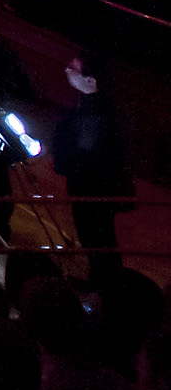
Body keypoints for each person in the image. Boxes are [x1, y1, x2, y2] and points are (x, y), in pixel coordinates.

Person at [51, 50, 133, 270]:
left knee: (97, 238)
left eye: (73, 68)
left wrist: (64, 163)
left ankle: (106, 285)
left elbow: (85, 153)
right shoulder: (94, 105)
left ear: (90, 80)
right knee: (98, 238)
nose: (67, 70)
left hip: (92, 189)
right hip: (93, 186)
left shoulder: (95, 112)